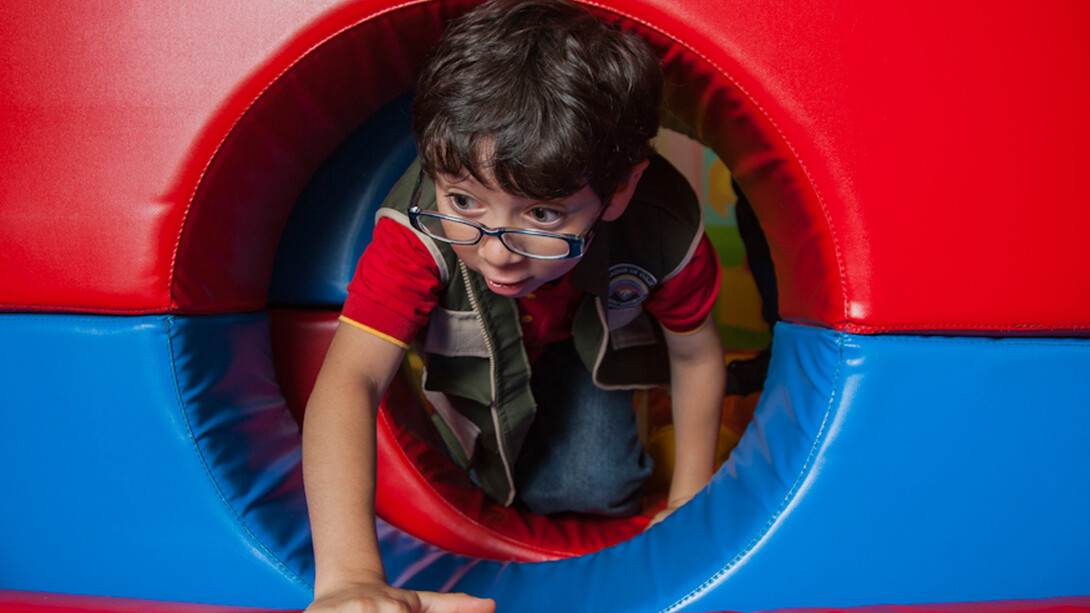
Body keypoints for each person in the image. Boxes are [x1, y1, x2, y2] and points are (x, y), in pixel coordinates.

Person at [301, 1, 726, 611]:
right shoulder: (418, 227)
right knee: (480, 473)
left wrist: (688, 500)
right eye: (466, 202)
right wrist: (348, 576)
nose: (499, 253)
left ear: (621, 189)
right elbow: (351, 378)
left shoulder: (660, 222)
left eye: (543, 215)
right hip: (476, 345)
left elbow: (695, 355)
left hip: (588, 341)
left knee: (594, 488)